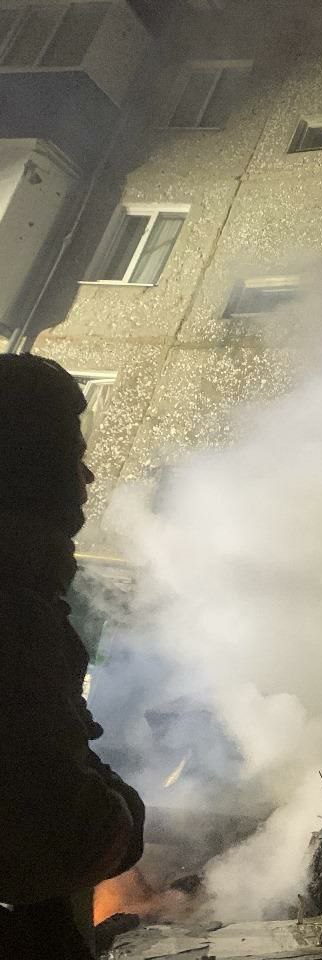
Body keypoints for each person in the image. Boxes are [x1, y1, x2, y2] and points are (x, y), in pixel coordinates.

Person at [0, 354, 145, 959]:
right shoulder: (14, 613)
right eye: (73, 456)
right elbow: (58, 834)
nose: (88, 477)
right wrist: (126, 812)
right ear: (33, 470)